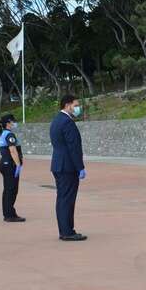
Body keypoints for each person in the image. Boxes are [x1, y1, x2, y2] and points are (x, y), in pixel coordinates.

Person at [50, 94, 87, 242]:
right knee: (67, 200)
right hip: (67, 166)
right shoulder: (67, 122)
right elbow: (73, 147)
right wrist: (80, 167)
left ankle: (65, 229)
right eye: (76, 105)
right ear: (67, 105)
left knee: (62, 199)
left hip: (59, 164)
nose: (77, 108)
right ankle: (67, 231)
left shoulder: (56, 120)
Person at [0, 114, 25, 222]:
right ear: (8, 123)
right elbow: (13, 150)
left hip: (5, 164)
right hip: (10, 165)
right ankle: (9, 214)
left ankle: (9, 212)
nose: (14, 123)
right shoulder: (9, 135)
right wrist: (18, 165)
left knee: (8, 189)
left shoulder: (4, 133)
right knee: (11, 190)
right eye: (13, 121)